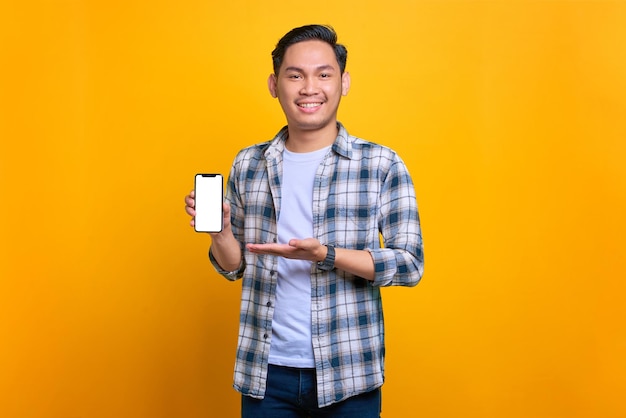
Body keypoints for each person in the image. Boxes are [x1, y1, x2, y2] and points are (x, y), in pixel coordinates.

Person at [185, 24, 424, 418]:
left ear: (343, 82)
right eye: (295, 75)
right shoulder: (249, 164)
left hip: (349, 373)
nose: (309, 87)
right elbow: (233, 267)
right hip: (266, 373)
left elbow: (410, 264)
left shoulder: (380, 164)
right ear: (274, 85)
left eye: (323, 74)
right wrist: (220, 233)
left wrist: (326, 254)